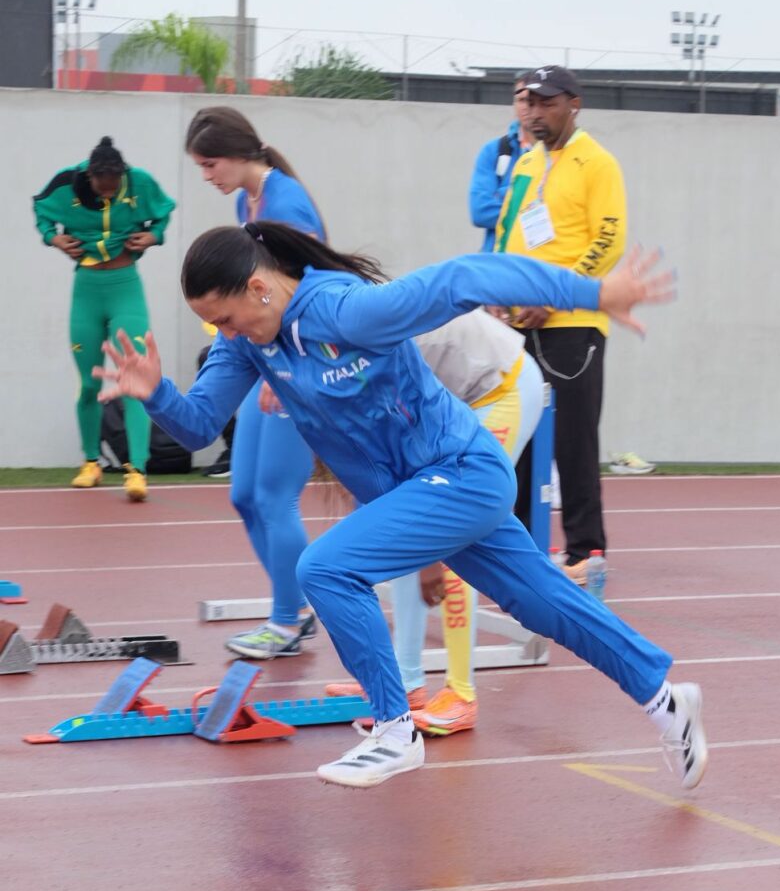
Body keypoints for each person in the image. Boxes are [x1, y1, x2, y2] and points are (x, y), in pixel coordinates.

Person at [94, 220, 707, 794]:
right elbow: (200, 424)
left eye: (226, 319)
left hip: (463, 471)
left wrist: (595, 291)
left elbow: (467, 277)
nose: (224, 335)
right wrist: (156, 393)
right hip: (422, 495)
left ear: (258, 288)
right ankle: (665, 698)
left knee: (326, 567)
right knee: (544, 604)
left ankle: (394, 730)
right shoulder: (251, 345)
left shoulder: (345, 309)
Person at [325, 309, 545, 735]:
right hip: (459, 396)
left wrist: (431, 560)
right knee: (405, 535)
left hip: (503, 390)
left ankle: (461, 695)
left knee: (455, 541)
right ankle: (407, 683)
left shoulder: (373, 355)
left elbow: (411, 449)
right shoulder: (336, 356)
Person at [495, 65, 649, 585]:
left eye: (547, 102)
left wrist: (555, 298)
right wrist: (498, 290)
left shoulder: (597, 162)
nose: (536, 111)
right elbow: (507, 231)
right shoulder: (526, 162)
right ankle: (517, 547)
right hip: (517, 321)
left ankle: (586, 551)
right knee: (517, 437)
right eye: (530, 103)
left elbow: (608, 240)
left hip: (572, 324)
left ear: (574, 103)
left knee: (573, 442)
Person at [185, 107, 327, 657]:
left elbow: (309, 288)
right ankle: (298, 607)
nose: (206, 175)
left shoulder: (287, 203)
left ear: (241, 154)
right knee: (244, 494)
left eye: (210, 163)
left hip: (297, 365)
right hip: (263, 360)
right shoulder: (252, 200)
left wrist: (292, 370)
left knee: (274, 498)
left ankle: (287, 622)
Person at [32, 136, 175, 501]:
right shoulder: (67, 182)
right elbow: (41, 211)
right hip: (87, 290)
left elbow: (163, 213)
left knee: (133, 378)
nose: (109, 193)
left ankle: (137, 470)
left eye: (114, 186)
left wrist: (154, 236)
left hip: (126, 287)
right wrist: (53, 239)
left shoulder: (139, 182)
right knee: (89, 383)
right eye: (102, 186)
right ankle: (91, 463)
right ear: (90, 176)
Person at [468, 71, 534, 252]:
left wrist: (502, 194)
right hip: (495, 266)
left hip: (540, 267)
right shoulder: (494, 151)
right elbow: (480, 212)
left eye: (532, 100)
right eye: (520, 100)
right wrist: (532, 207)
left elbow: (560, 215)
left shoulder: (558, 155)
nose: (526, 106)